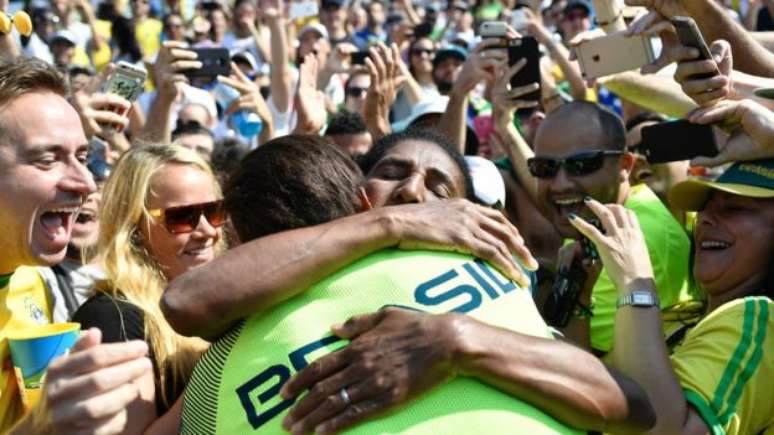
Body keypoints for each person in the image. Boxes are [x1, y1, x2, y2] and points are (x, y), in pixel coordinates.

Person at [167, 131, 654, 435]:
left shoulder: (484, 270)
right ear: (360, 198)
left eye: (440, 189)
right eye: (391, 173)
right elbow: (187, 300)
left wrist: (454, 339)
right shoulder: (221, 367)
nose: (412, 193)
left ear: (466, 217)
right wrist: (386, 225)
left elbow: (630, 405)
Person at [0, 56, 150, 435]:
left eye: (83, 157)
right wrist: (39, 428)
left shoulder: (32, 280)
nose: (85, 183)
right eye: (47, 159)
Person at [570, 159, 774, 434]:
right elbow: (589, 394)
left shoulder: (762, 319)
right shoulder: (681, 316)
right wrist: (578, 300)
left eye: (734, 208)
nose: (705, 218)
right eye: (705, 207)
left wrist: (635, 281)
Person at [72, 145, 224, 433]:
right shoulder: (111, 319)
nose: (207, 231)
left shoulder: (225, 303)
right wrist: (223, 363)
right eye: (183, 216)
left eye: (214, 212)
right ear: (134, 229)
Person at [529, 101, 696, 355]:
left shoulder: (636, 237)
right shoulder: (597, 215)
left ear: (625, 166)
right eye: (545, 168)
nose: (560, 184)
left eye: (582, 165)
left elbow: (577, 359)